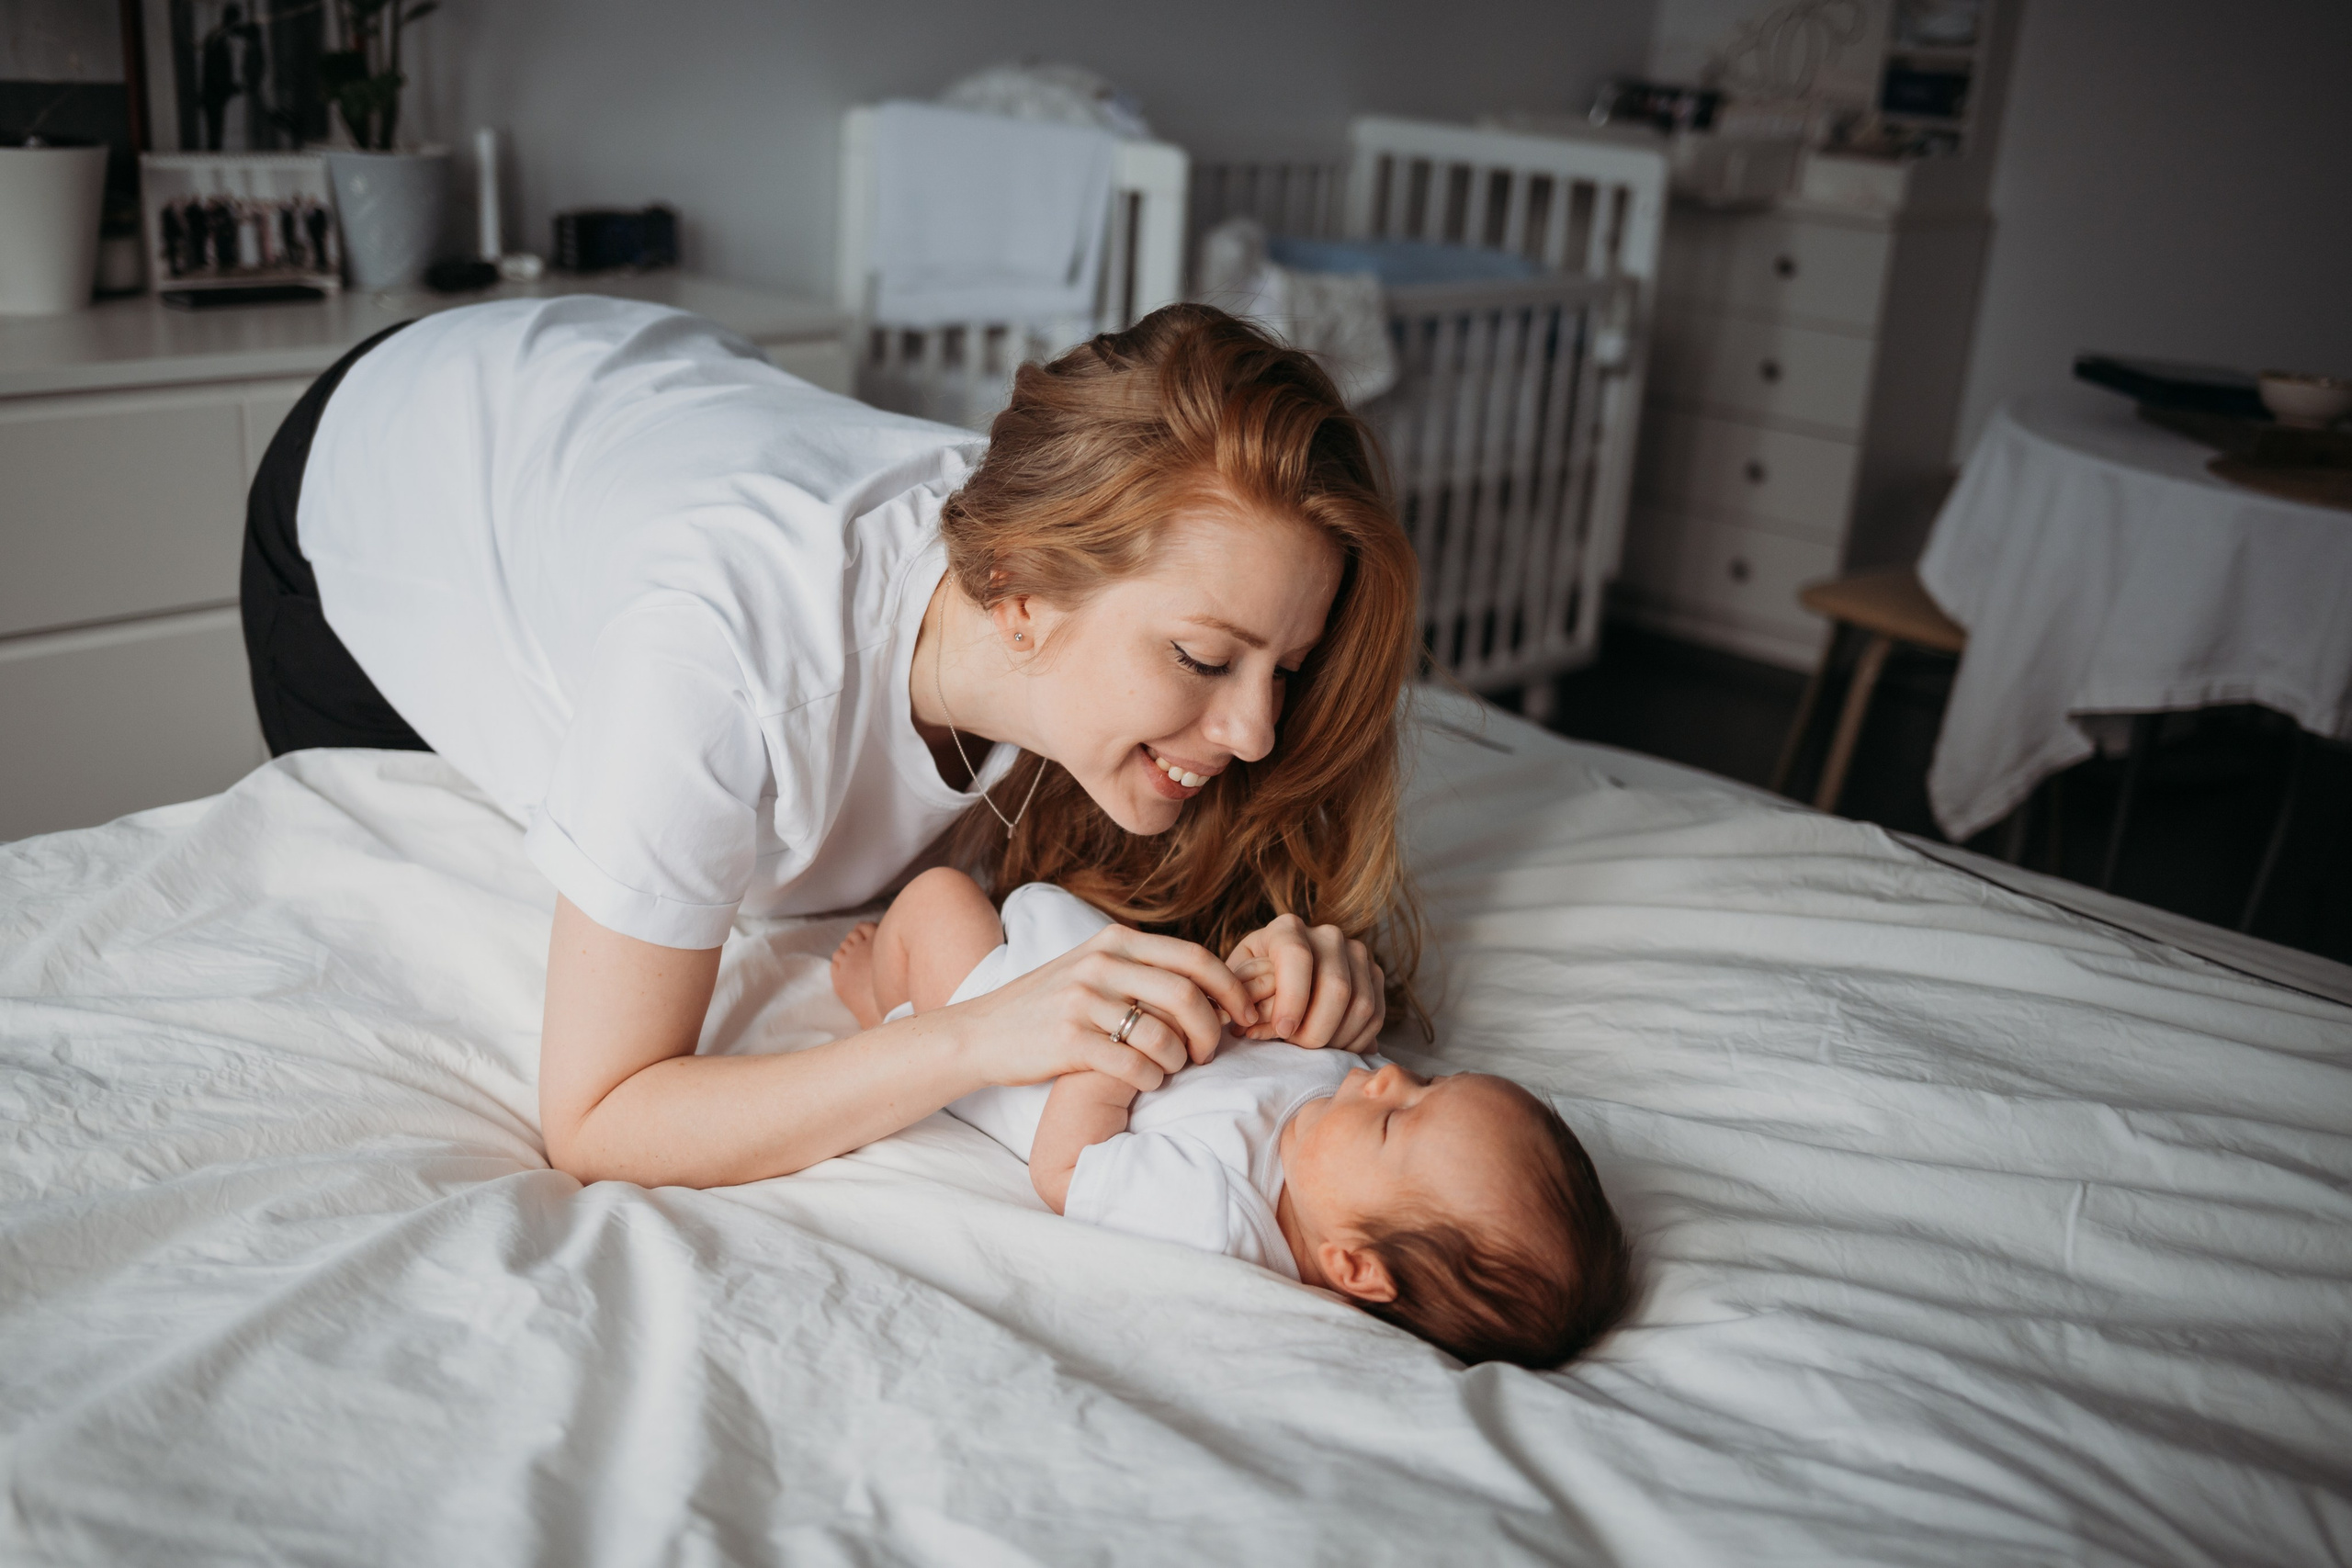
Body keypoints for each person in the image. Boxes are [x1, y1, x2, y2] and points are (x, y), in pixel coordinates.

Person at [241, 297, 1418, 1190]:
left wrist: (1318, 965)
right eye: (1206, 662)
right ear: (1015, 595)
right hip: (389, 459)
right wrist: (970, 1038)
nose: (1258, 730)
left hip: (671, 387)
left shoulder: (1070, 544)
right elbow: (597, 1121)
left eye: (1288, 670)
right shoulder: (715, 661)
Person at [831, 871, 1632, 1368]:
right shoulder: (1340, 1106)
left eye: (1397, 1121)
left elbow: (1066, 1170)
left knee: (940, 900)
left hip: (1007, 1031)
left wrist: (1121, 1052)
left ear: (1353, 1265)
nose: (1388, 1078)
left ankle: (881, 1002)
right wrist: (1264, 998)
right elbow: (1281, 1038)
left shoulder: (1221, 1209)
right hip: (1092, 967)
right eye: (1426, 1081)